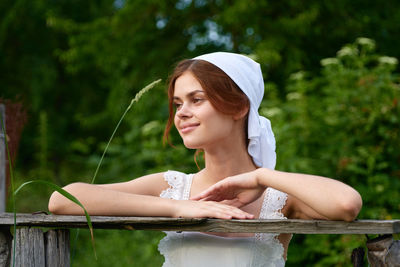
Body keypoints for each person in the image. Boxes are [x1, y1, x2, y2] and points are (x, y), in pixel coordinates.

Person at [48, 52, 362, 266]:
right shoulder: (173, 187)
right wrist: (177, 208)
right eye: (177, 103)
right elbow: (63, 200)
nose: (182, 113)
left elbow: (346, 204)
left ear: (239, 107)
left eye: (197, 100)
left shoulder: (279, 199)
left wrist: (260, 177)